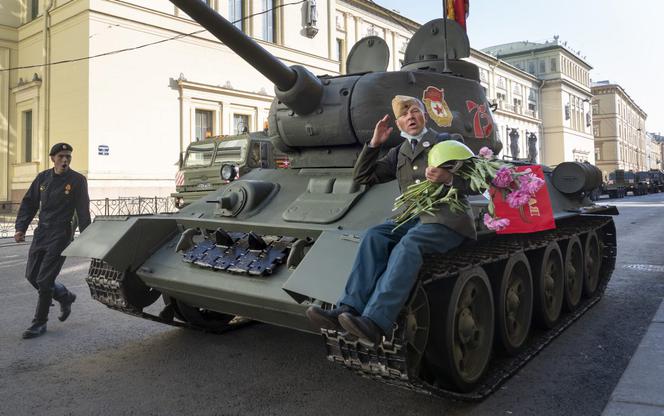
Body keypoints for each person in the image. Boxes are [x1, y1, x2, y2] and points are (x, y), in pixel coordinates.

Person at [306, 95, 477, 344]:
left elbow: (476, 183)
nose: (410, 117)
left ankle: (376, 321)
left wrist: (449, 179)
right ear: (398, 124)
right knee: (374, 235)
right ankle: (348, 309)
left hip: (445, 219)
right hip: (411, 218)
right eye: (404, 115)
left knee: (409, 244)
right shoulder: (400, 152)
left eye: (415, 111)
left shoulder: (448, 141)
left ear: (424, 116)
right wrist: (374, 144)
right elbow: (363, 177)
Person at [14, 142, 91, 339]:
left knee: (44, 279)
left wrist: (88, 237)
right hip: (42, 233)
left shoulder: (77, 180)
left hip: (61, 234)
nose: (65, 160)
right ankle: (65, 296)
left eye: (68, 157)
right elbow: (30, 202)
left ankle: (39, 323)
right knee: (32, 276)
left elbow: (83, 211)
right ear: (53, 159)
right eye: (61, 157)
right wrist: (21, 227)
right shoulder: (43, 178)